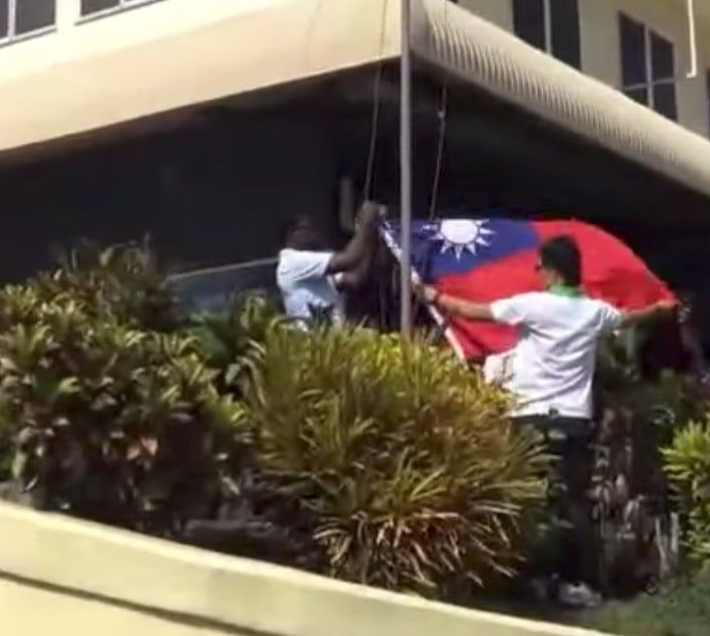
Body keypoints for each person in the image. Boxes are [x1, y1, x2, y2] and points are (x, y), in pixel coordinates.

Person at [416, 235, 675, 608]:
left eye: (539, 268)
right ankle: (583, 584)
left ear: (552, 271)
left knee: (525, 500)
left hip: (530, 416)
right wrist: (661, 307)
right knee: (574, 503)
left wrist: (432, 297)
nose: (537, 274)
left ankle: (523, 578)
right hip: (574, 420)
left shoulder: (532, 305)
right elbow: (633, 316)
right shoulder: (594, 312)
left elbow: (473, 312)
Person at [276, 201, 384, 327]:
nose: (314, 233)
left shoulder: (318, 263)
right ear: (292, 233)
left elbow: (356, 278)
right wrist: (366, 223)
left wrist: (370, 235)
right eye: (307, 229)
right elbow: (349, 259)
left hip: (332, 338)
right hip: (311, 340)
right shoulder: (292, 261)